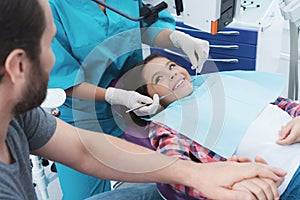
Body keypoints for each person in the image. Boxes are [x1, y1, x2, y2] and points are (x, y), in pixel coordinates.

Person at [0, 0, 288, 200]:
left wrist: (176, 39)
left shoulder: (21, 118)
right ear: (17, 66)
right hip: (84, 113)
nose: (173, 73)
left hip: (127, 105)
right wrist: (113, 94)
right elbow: (67, 83)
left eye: (173, 67)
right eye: (48, 47)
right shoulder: (167, 132)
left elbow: (84, 152)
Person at [48, 0, 212, 198]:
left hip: (134, 109)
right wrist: (113, 95)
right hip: (82, 118)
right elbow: (61, 77)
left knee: (171, 174)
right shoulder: (52, 7)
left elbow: (145, 27)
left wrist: (177, 39)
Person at [123, 54, 300, 199]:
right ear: (148, 98)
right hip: (289, 180)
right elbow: (174, 169)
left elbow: (281, 103)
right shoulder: (168, 123)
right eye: (159, 78)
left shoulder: (217, 83)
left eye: (171, 66)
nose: (172, 74)